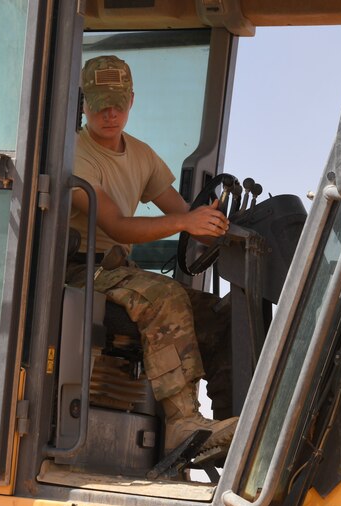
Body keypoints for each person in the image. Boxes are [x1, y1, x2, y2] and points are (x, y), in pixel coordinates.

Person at [68, 55, 237, 456]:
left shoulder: (141, 155)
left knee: (220, 315)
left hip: (117, 273)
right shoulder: (74, 155)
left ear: (131, 101)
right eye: (99, 103)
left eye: (118, 103)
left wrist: (217, 224)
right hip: (78, 272)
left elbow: (180, 209)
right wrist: (186, 223)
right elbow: (118, 227)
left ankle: (234, 426)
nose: (110, 114)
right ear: (84, 103)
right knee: (164, 296)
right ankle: (183, 424)